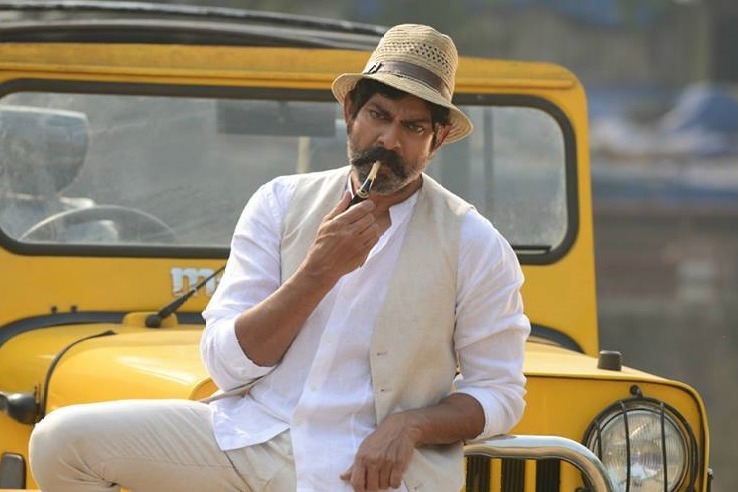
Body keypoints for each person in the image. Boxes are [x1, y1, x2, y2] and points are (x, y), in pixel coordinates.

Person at [29, 23, 530, 492]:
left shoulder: (474, 242)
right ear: (350, 113)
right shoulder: (280, 202)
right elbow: (226, 366)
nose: (389, 140)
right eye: (379, 115)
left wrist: (411, 425)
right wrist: (318, 272)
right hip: (251, 438)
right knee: (61, 442)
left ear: (437, 140)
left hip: (371, 469)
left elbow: (500, 392)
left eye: (414, 127)